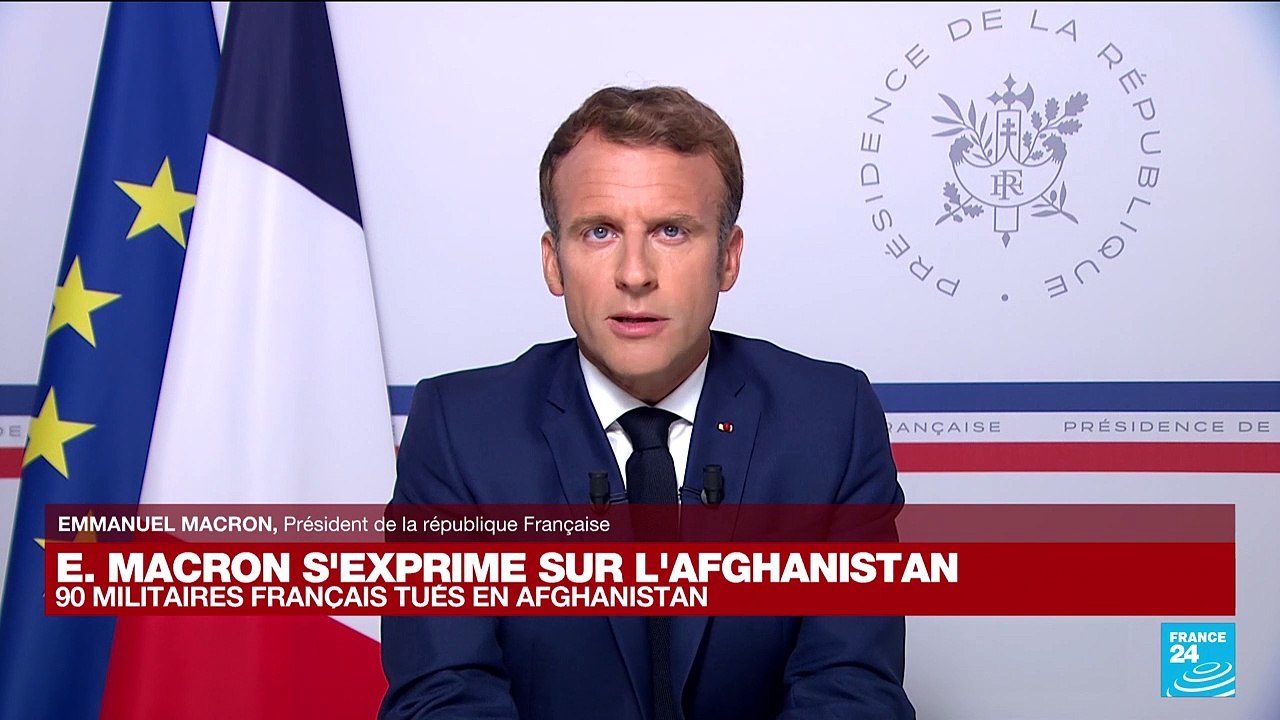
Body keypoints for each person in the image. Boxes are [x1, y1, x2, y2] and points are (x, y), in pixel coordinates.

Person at [380, 86, 914, 720]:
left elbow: (851, 691)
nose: (635, 273)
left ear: (728, 258)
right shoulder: (458, 432)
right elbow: (442, 695)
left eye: (671, 230)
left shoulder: (831, 421)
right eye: (599, 231)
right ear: (554, 263)